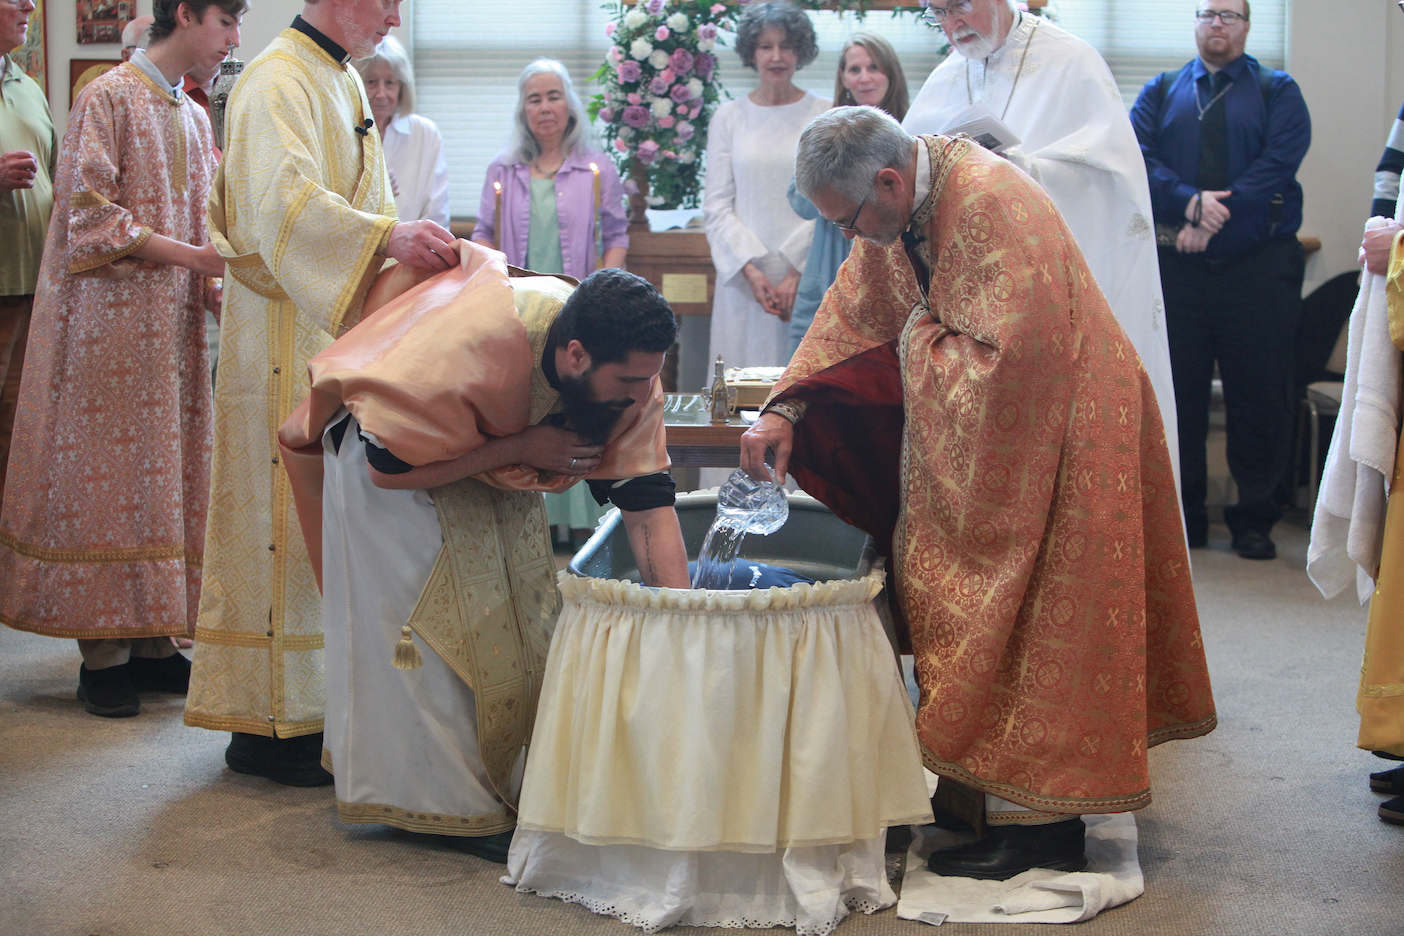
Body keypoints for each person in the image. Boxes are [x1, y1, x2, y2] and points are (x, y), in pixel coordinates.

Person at [741, 107, 1216, 879]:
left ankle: (1044, 828)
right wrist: (784, 407)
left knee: (1041, 621)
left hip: (1067, 434)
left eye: (850, 221)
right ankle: (979, 795)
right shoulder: (902, 207)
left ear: (887, 182)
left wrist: (914, 338)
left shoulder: (996, 204)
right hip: (1016, 434)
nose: (852, 237)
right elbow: (852, 313)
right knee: (955, 598)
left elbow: (1015, 365)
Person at [276, 256, 688, 863]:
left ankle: (510, 785)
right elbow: (387, 466)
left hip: (498, 461)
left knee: (518, 617)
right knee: (430, 630)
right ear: (576, 356)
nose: (639, 395)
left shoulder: (628, 374)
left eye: (647, 380)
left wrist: (680, 621)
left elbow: (647, 503)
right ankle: (440, 808)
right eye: (629, 382)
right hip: (390, 458)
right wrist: (522, 446)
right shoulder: (475, 338)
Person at [185, 0, 459, 784]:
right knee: (280, 518)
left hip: (329, 334)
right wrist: (386, 236)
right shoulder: (278, 79)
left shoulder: (338, 78)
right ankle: (268, 726)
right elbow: (285, 207)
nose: (395, 16)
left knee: (328, 521)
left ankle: (314, 710)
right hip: (281, 339)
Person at [0, 0, 238, 717]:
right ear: (186, 15)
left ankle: (154, 644)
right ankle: (101, 658)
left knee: (165, 480)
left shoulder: (192, 114)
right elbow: (88, 216)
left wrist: (215, 288)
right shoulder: (105, 96)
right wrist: (193, 258)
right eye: (226, 22)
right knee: (105, 487)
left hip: (171, 334)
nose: (233, 40)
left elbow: (202, 222)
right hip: (105, 333)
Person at [903, 0, 1181, 513]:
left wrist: (1017, 170)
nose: (951, 24)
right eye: (937, 12)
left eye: (959, 5)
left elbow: (1111, 181)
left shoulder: (1072, 62)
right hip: (978, 311)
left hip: (1062, 302)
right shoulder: (946, 78)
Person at [1130, 0, 1310, 560]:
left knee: (1259, 397)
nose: (1217, 23)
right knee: (1177, 396)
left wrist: (1210, 219)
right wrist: (1189, 202)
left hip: (1257, 267)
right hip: (1178, 272)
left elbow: (1277, 164)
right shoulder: (1160, 90)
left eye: (1230, 15)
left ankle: (1254, 520)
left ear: (1247, 26)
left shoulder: (1278, 91)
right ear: (1195, 22)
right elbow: (1135, 156)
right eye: (1208, 13)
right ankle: (1184, 519)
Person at [472, 58, 629, 545]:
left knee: (575, 402)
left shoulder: (597, 167)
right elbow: (482, 233)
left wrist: (605, 288)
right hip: (519, 308)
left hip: (579, 303)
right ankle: (532, 516)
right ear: (523, 109)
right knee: (526, 404)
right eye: (534, 98)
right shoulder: (503, 169)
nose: (545, 107)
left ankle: (581, 523)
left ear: (570, 105)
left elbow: (616, 234)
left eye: (554, 96)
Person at [703, 1, 828, 371]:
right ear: (751, 52)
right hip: (743, 279)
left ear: (800, 51)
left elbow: (832, 203)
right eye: (765, 46)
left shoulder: (824, 113)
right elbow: (716, 206)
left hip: (809, 275)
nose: (776, 56)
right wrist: (751, 271)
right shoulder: (728, 117)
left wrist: (796, 271)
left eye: (786, 46)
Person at [785, 31, 907, 358]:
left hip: (894, 263)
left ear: (891, 73)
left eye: (874, 67)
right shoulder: (826, 132)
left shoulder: (915, 128)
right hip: (831, 260)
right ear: (843, 77)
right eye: (855, 69)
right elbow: (800, 203)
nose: (864, 77)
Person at [0, 0, 54, 509]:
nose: (30, 6)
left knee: (18, 429)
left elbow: (55, 178)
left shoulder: (28, 85)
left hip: (33, 289)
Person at [353, 35, 449, 228]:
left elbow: (436, 213)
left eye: (390, 83)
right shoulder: (343, 130)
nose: (381, 94)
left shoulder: (424, 133)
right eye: (371, 82)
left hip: (415, 246)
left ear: (402, 87)